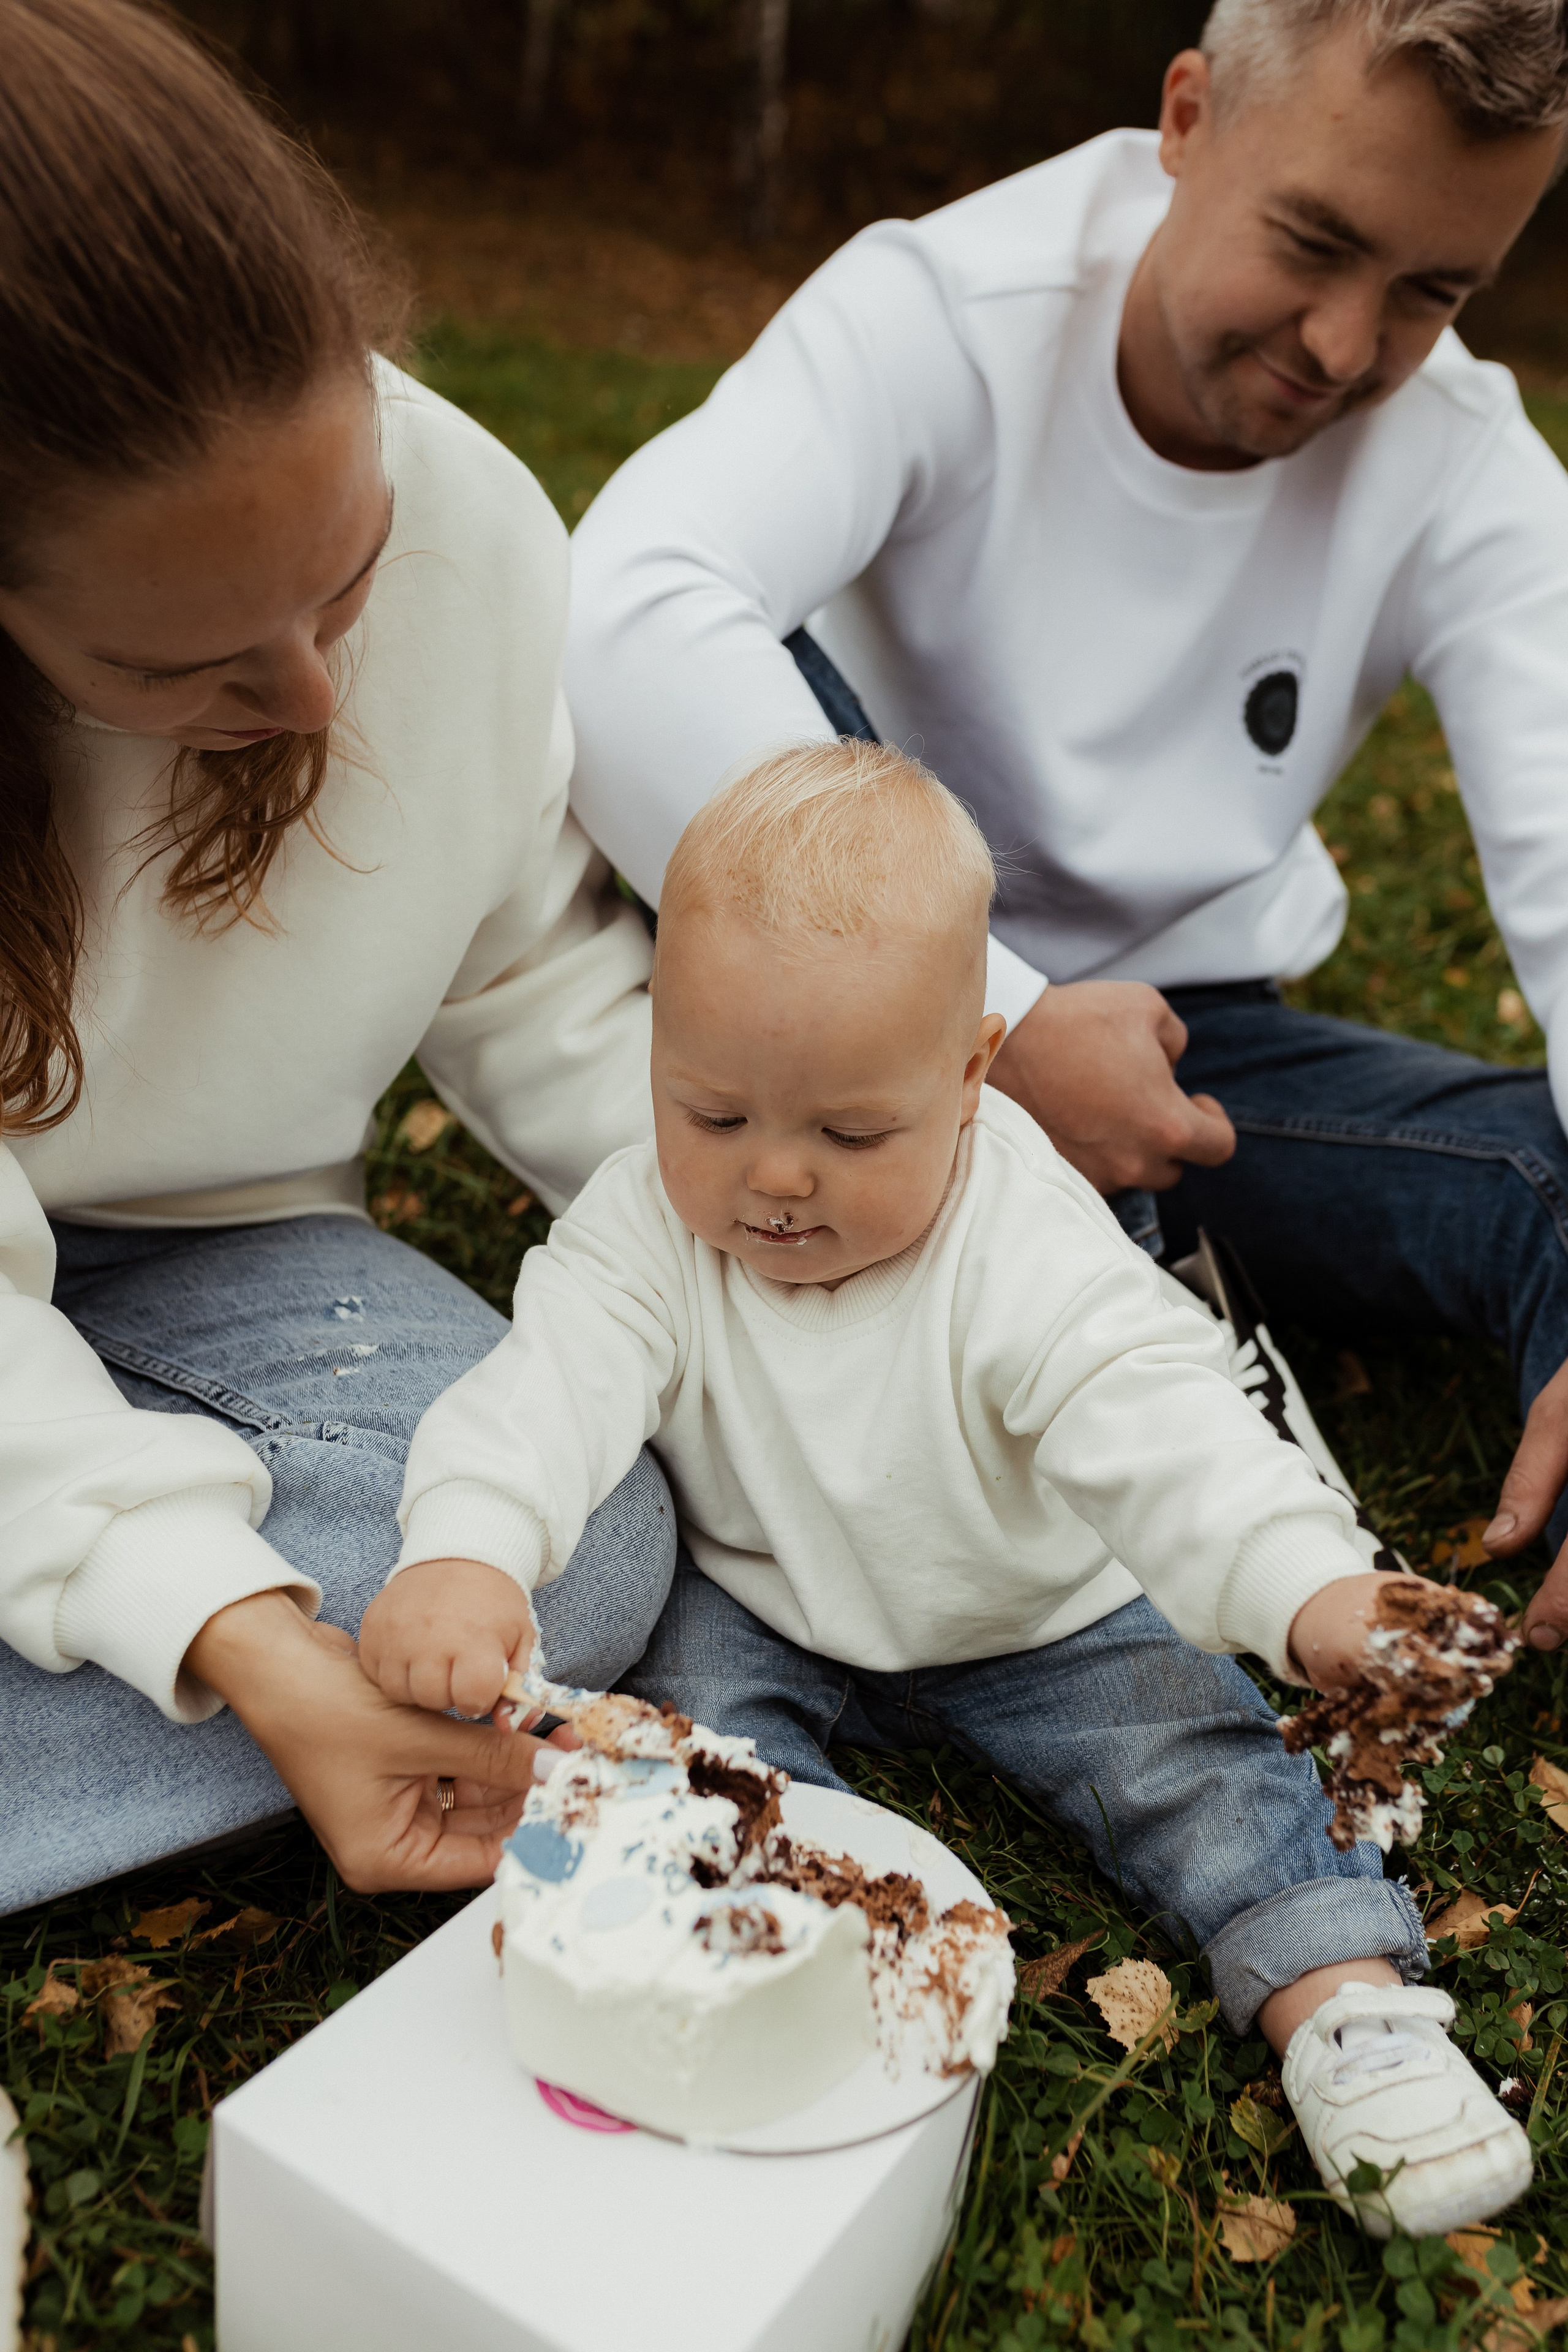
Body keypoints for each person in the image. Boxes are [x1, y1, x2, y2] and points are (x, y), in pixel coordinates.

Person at [366, 740, 1531, 2238]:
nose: (772, 1181)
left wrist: (1306, 1590)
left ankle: (1343, 2004)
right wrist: (465, 1548)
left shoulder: (1019, 1245)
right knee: (694, 1773)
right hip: (766, 1596)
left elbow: (1161, 1428)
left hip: (1043, 1610)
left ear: (970, 1076)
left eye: (850, 1133)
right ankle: (771, 1975)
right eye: (712, 1112)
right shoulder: (648, 1219)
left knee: (1202, 1768)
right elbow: (550, 1388)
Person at [565, 0, 1568, 1652]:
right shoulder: (948, 310)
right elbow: (621, 612)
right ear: (1186, 116)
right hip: (853, 1024)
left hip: (1199, 1059)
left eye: (1429, 293)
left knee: (1543, 1175)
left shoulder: (1467, 461)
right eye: (1314, 241)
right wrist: (1001, 1027)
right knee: (752, 664)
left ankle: (1092, 1275)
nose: (1340, 343)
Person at [0, 0, 674, 1916]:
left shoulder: (464, 512)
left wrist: (794, 1224)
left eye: (348, 573)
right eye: (176, 665)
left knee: (577, 1552)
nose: (309, 692)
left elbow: (534, 974)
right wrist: (242, 1639)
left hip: (225, 1251)